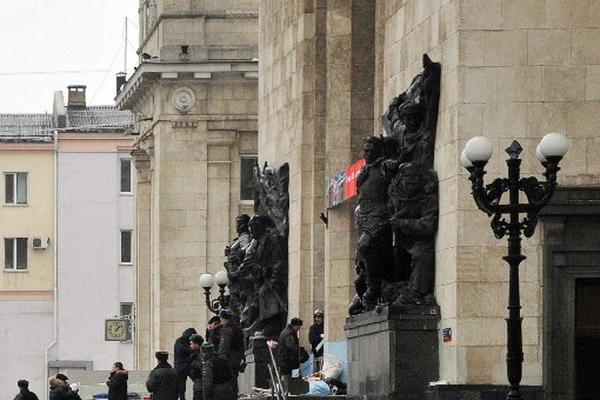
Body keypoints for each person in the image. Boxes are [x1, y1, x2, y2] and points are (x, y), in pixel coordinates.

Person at [217, 308, 244, 394]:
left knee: (228, 380)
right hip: (237, 357)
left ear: (225, 319)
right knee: (234, 379)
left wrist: (220, 360)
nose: (220, 320)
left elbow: (224, 346)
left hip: (229, 358)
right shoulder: (238, 328)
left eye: (221, 318)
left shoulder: (226, 330)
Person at [276, 317, 303, 393]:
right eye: (299, 326)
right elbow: (291, 346)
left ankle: (284, 391)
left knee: (284, 376)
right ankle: (286, 392)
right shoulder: (289, 333)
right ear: (295, 325)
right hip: (286, 360)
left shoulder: (285, 331)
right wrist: (300, 353)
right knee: (287, 376)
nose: (299, 328)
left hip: (283, 359)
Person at [174, 327, 197, 400]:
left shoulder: (185, 341)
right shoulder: (180, 341)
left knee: (197, 381)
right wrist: (191, 349)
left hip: (188, 365)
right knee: (181, 387)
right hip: (181, 367)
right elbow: (182, 350)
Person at [188, 334, 205, 400]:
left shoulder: (201, 354)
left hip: (200, 383)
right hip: (197, 382)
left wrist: (193, 363)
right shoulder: (194, 354)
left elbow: (202, 367)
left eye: (192, 344)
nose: (190, 346)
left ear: (197, 344)